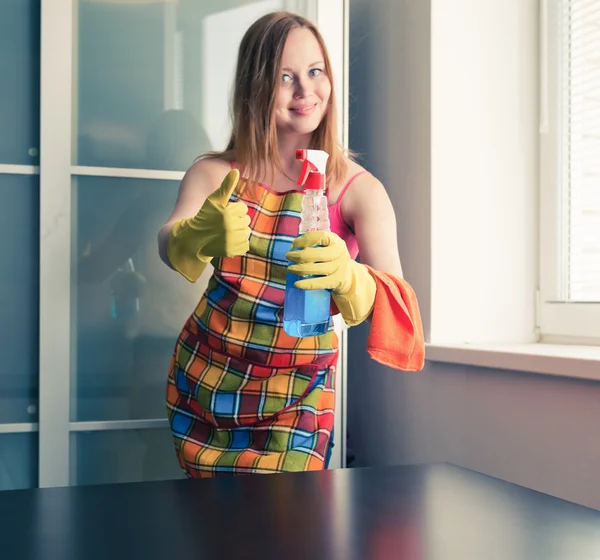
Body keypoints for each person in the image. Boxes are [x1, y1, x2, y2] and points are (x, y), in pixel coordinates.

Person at [158, 11, 424, 478]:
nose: (306, 91)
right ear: (255, 86)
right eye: (285, 77)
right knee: (213, 531)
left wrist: (349, 276)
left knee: (289, 527)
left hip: (298, 397)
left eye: (315, 71)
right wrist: (197, 232)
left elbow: (396, 300)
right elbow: (168, 242)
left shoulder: (359, 190)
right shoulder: (215, 175)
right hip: (208, 380)